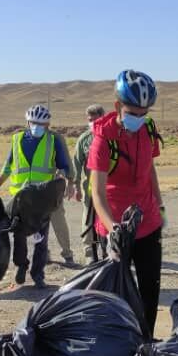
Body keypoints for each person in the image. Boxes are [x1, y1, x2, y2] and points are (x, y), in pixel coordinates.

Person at [88, 70, 164, 336]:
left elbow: (150, 169)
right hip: (114, 229)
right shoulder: (102, 140)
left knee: (149, 291)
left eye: (145, 112)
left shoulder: (148, 129)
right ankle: (116, 347)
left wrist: (160, 205)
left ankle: (147, 343)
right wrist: (113, 229)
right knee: (113, 296)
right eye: (134, 112)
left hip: (148, 222)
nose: (140, 118)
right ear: (118, 106)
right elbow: (97, 192)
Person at [0, 104, 72, 289]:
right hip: (21, 196)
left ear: (48, 124)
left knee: (41, 238)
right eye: (34, 122)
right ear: (27, 122)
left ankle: (38, 275)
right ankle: (21, 266)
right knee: (19, 235)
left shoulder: (53, 141)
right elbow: (8, 166)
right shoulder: (16, 139)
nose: (37, 126)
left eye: (42, 123)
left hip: (42, 196)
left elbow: (63, 165)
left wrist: (68, 181)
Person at [72, 104, 107, 263]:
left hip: (111, 189)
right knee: (89, 220)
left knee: (110, 220)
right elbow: (77, 164)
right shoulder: (84, 140)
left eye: (95, 119)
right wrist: (76, 186)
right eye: (89, 120)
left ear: (103, 117)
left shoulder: (113, 136)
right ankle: (90, 254)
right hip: (91, 189)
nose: (92, 122)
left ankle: (111, 252)